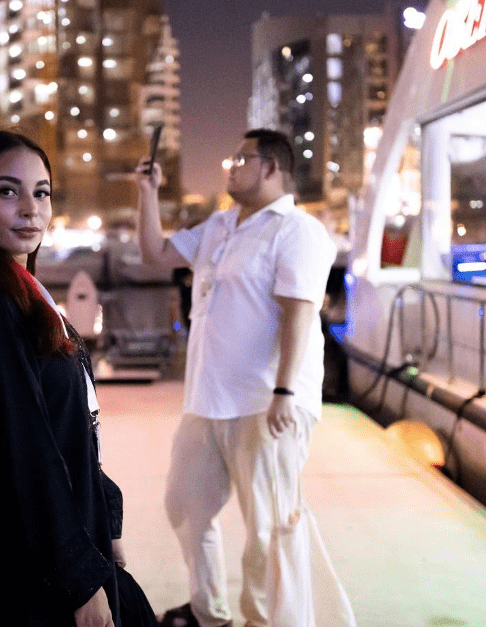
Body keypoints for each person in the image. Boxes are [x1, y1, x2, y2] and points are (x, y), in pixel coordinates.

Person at [0, 130, 156, 627]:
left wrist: (106, 512)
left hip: (62, 537)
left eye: (41, 193)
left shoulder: (23, 293)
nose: (30, 209)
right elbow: (22, 450)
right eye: (7, 191)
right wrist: (79, 578)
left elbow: (66, 426)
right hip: (29, 573)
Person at [135, 129, 344, 627]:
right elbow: (154, 254)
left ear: (271, 167)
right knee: (185, 505)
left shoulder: (297, 231)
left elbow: (299, 314)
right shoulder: (220, 225)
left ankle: (268, 619)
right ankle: (211, 613)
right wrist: (146, 192)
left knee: (268, 528)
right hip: (207, 400)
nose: (229, 166)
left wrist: (285, 392)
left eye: (241, 158)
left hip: (264, 400)